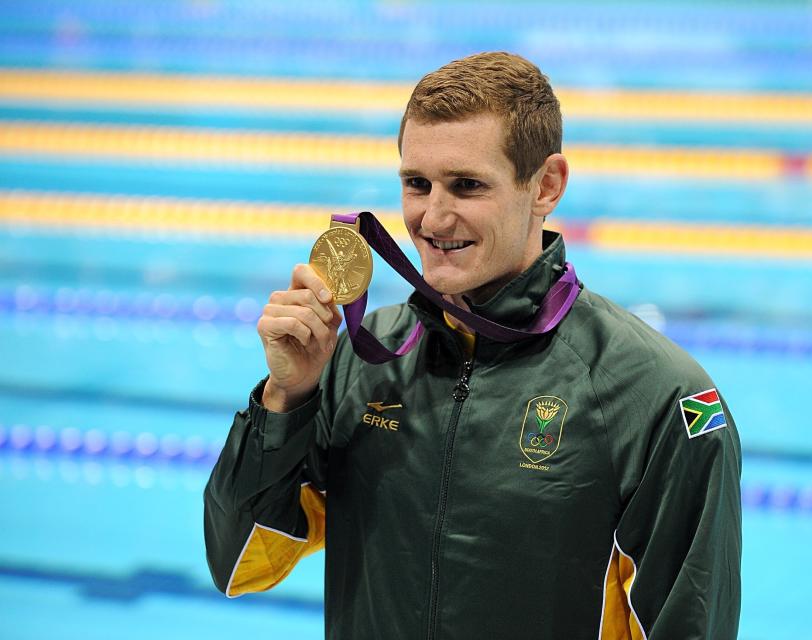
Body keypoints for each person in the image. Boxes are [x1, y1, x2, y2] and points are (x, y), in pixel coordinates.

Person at [204, 51, 741, 639]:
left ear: (546, 185)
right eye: (417, 184)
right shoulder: (359, 359)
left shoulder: (656, 397)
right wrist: (288, 396)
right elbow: (237, 564)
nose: (433, 218)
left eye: (466, 186)